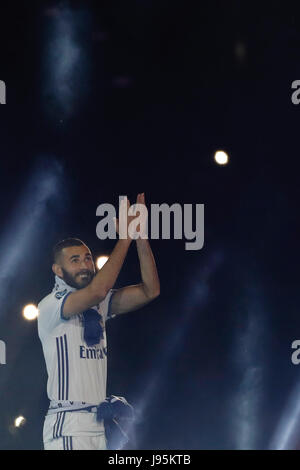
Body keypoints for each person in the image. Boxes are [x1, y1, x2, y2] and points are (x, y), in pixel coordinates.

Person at [37, 193, 160, 450]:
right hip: (68, 425)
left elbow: (151, 290)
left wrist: (139, 237)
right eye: (75, 260)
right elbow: (98, 291)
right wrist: (124, 237)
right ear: (58, 271)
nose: (85, 265)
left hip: (97, 424)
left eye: (88, 258)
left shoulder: (98, 303)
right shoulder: (50, 305)